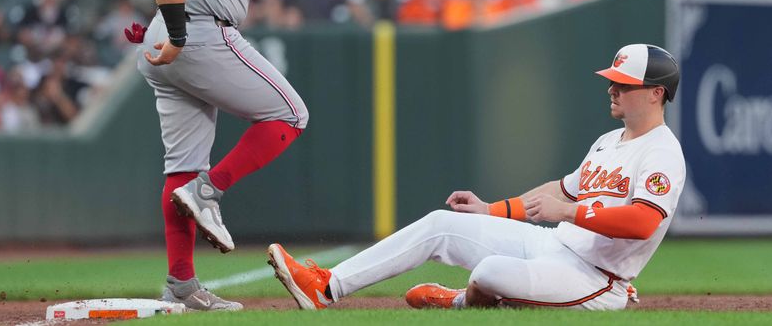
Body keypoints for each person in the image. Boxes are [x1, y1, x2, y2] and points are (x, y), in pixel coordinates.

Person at [268, 44, 683, 311]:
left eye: (623, 84)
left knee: (489, 273)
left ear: (656, 93)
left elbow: (644, 222)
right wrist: (492, 210)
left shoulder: (663, 152)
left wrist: (571, 213)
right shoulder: (609, 139)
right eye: (611, 82)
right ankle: (325, 286)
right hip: (554, 244)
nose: (611, 89)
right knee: (440, 225)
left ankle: (460, 304)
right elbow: (558, 191)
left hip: (594, 276)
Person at [132, 0, 308, 311]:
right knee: (291, 113)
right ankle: (211, 193)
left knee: (181, 169)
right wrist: (180, 32)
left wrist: (166, 25)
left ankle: (182, 286)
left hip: (177, 28)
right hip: (200, 32)